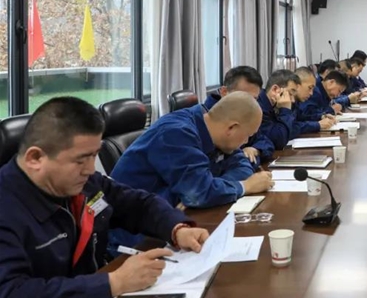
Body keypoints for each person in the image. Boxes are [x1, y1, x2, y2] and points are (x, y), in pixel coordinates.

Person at [0, 97, 209, 298]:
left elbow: (136, 204)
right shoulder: (7, 208)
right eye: (80, 160)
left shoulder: (83, 184)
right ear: (35, 158)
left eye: (94, 156)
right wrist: (113, 283)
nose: (91, 169)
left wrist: (177, 228)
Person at [111, 91, 274, 216]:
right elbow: (198, 194)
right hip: (137, 234)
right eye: (248, 135)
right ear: (231, 127)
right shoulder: (176, 134)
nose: (246, 142)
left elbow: (242, 165)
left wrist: (210, 188)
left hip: (175, 218)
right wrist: (244, 186)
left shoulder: (215, 131)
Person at [203, 66, 264, 163]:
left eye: (254, 99)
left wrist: (255, 149)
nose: (250, 103)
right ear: (224, 92)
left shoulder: (247, 114)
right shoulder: (209, 120)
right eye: (243, 96)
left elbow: (264, 140)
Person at [255, 69, 300, 154]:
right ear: (275, 89)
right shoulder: (259, 107)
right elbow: (279, 141)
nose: (293, 100)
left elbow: (293, 129)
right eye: (290, 94)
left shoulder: (274, 105)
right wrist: (285, 110)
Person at [292, 67, 336, 137]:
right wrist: (317, 125)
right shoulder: (284, 103)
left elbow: (303, 117)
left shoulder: (296, 102)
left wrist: (321, 116)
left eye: (312, 89)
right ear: (297, 85)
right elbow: (291, 128)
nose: (311, 93)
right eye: (309, 88)